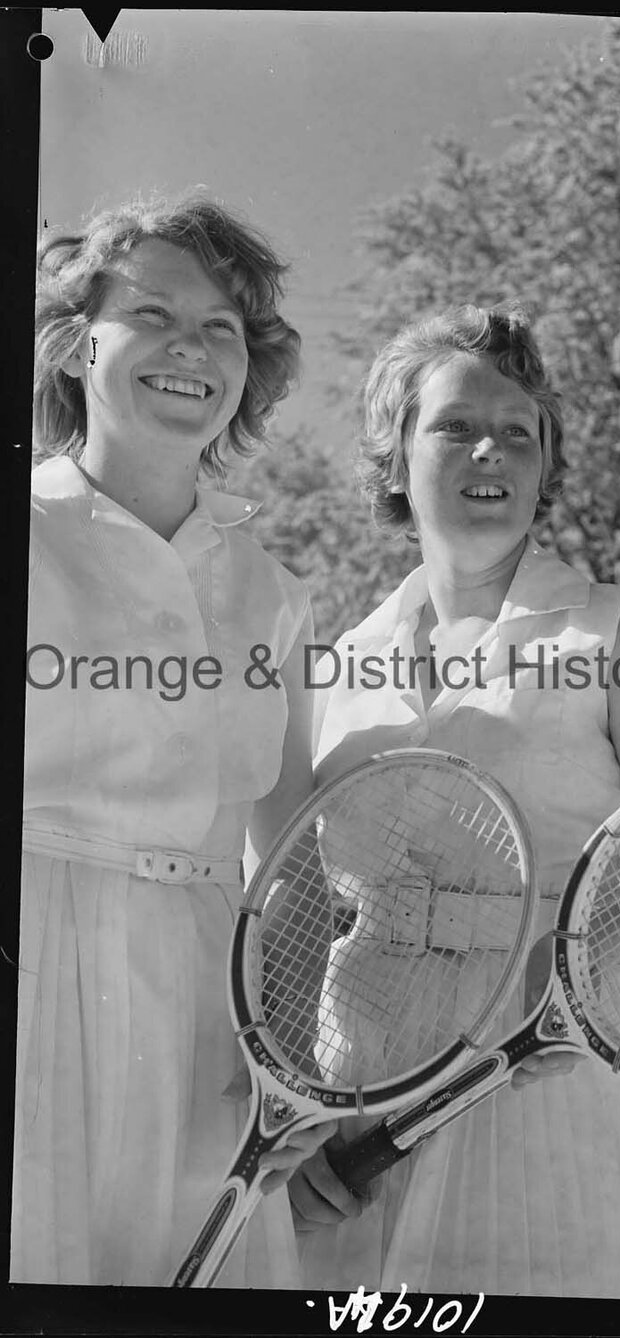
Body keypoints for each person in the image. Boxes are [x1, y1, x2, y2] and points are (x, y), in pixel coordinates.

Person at [294, 303, 620, 1301]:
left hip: (564, 1067)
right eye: (456, 426)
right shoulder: (338, 663)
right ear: (394, 457)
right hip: (358, 1077)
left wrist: (564, 962)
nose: (492, 451)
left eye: (520, 433)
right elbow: (292, 897)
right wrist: (300, 1103)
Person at [14, 196, 358, 1287]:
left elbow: (292, 850)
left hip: (212, 1010)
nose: (190, 348)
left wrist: (288, 1053)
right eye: (151, 312)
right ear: (76, 342)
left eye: (222, 327)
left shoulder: (274, 591)